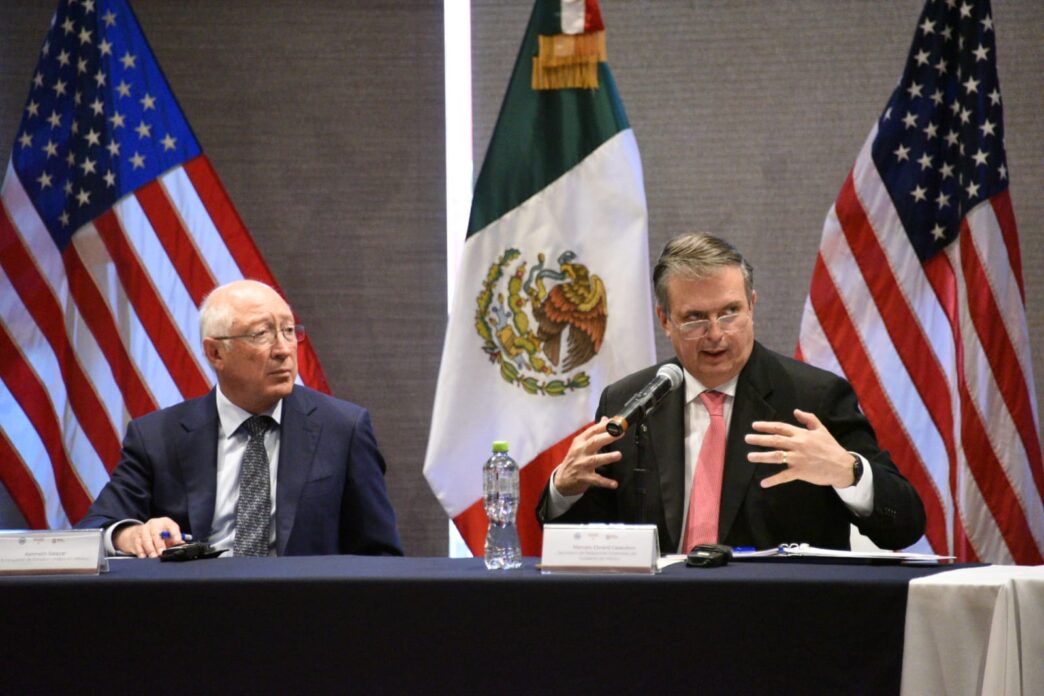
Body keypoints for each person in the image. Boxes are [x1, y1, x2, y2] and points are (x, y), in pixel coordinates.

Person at [537, 233, 926, 553]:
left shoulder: (814, 398)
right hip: (657, 623)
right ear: (664, 321)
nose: (716, 334)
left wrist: (848, 471)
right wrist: (563, 489)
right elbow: (585, 543)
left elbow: (905, 525)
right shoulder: (629, 402)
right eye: (694, 318)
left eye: (729, 312)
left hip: (777, 625)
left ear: (752, 306)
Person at [77, 279, 403, 558]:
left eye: (289, 331)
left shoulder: (342, 429)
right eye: (262, 334)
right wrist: (132, 535)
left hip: (304, 616)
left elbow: (380, 553)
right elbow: (95, 528)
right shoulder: (157, 437)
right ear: (216, 353)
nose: (284, 349)